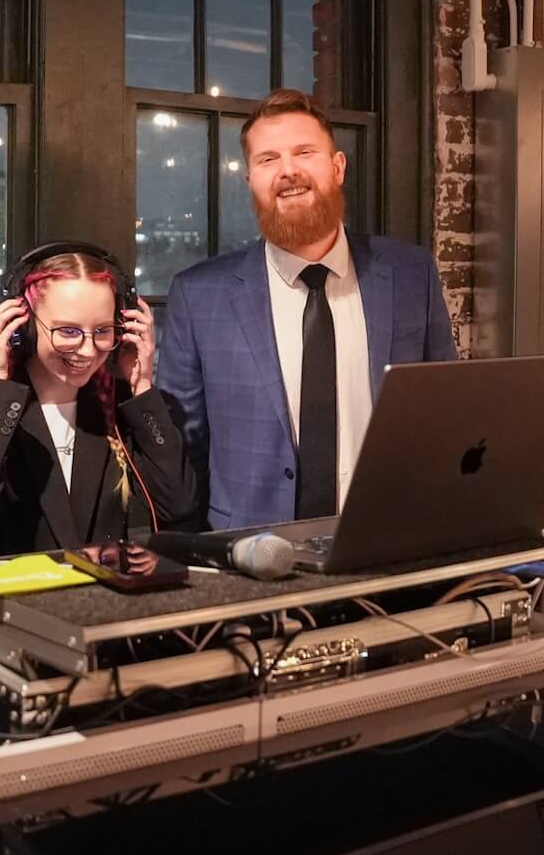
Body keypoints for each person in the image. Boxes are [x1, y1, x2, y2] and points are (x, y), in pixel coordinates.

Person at [156, 89, 456, 531]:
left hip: (387, 541)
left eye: (304, 152)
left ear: (338, 167)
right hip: (251, 553)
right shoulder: (199, 295)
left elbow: (442, 414)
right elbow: (186, 450)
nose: (288, 170)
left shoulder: (411, 275)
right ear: (250, 181)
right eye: (268, 159)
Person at [0, 245, 201, 556]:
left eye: (102, 330)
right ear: (23, 326)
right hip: (17, 588)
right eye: (68, 331)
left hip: (102, 587)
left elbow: (177, 504)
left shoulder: (121, 406)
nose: (88, 350)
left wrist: (141, 387)